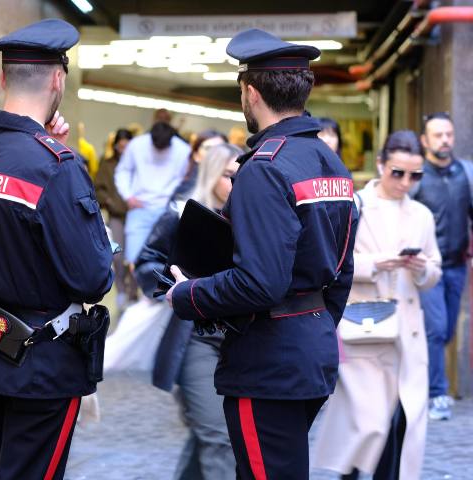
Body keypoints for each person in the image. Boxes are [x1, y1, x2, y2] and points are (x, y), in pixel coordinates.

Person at [165, 29, 357, 479]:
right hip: (312, 349)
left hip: (269, 359)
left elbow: (260, 282)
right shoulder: (330, 163)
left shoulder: (264, 168)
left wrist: (186, 294)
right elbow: (343, 268)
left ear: (250, 93)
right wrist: (318, 325)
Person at [0, 19, 113, 480]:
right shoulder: (57, 167)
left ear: (4, 78)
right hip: (44, 361)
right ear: (58, 79)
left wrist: (48, 147)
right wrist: (57, 153)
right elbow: (93, 277)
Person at [313, 130, 441, 479]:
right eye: (397, 172)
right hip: (362, 330)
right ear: (381, 165)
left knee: (401, 420)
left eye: (415, 175)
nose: (405, 182)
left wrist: (422, 268)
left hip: (406, 336)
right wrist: (375, 264)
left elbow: (434, 271)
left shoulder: (422, 215)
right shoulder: (355, 206)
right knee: (367, 423)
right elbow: (332, 264)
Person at [137, 143, 243, 480]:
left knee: (209, 437)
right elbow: (147, 262)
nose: (235, 184)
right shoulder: (183, 213)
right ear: (213, 173)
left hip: (239, 339)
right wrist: (177, 286)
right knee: (218, 435)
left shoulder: (251, 218)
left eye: (242, 177)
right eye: (229, 176)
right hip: (195, 337)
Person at [410, 112, 473, 420]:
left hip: (457, 266)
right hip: (427, 268)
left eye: (448, 134)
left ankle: (423, 380)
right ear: (425, 140)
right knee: (435, 330)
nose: (445, 140)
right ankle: (437, 394)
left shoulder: (466, 174)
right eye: (437, 135)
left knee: (445, 330)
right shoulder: (417, 177)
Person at [114, 121, 190, 266]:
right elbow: (123, 171)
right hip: (139, 208)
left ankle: (154, 289)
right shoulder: (136, 145)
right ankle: (134, 288)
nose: (160, 151)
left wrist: (175, 201)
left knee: (163, 261)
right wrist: (128, 196)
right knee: (133, 259)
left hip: (168, 211)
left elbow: (184, 180)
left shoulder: (183, 150)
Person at [95, 128, 137, 310]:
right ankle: (121, 290)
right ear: (116, 146)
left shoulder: (139, 165)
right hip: (116, 216)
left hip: (136, 216)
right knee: (118, 257)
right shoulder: (108, 163)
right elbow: (98, 188)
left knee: (134, 257)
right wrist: (109, 201)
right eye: (121, 146)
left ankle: (132, 292)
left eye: (127, 146)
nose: (124, 149)